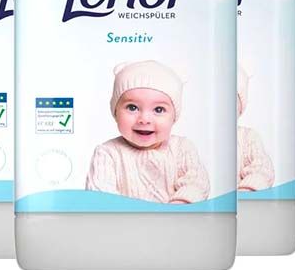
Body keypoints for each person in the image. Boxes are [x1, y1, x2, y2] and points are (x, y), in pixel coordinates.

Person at [86, 60, 209, 203]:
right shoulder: (107, 153)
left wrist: (179, 204)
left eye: (158, 109)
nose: (144, 119)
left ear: (174, 117)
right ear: (115, 112)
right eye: (132, 107)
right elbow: (101, 195)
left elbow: (197, 183)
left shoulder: (182, 149)